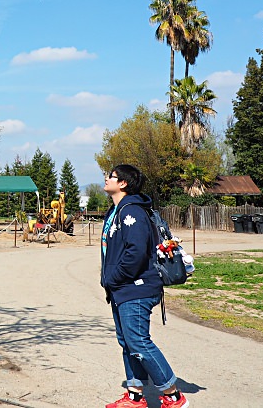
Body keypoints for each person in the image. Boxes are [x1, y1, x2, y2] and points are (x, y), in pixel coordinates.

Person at [100, 164, 189, 408]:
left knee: (138, 341)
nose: (106, 179)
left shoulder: (133, 212)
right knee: (127, 342)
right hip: (121, 289)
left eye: (111, 176)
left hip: (135, 287)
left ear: (123, 184)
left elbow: (136, 252)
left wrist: (114, 277)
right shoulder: (115, 211)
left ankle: (173, 396)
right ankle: (135, 396)